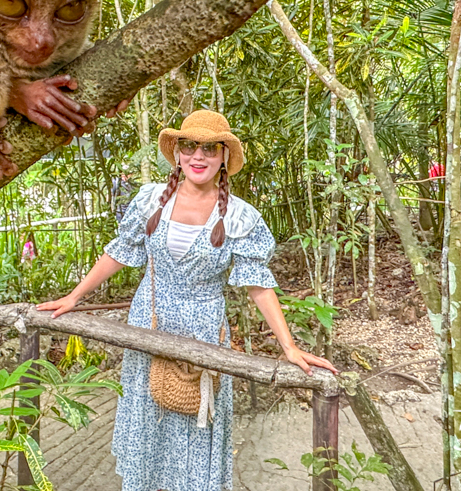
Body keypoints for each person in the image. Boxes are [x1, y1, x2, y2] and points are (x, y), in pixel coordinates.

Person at [37, 110, 338, 491]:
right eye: (189, 145)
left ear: (223, 156)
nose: (198, 156)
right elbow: (120, 252)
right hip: (150, 318)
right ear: (177, 153)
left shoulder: (240, 216)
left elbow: (258, 284)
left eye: (210, 148)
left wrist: (289, 347)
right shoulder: (150, 200)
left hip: (203, 327)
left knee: (196, 418)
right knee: (149, 412)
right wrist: (73, 298)